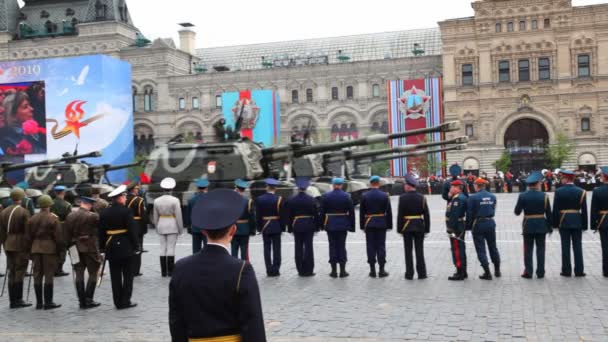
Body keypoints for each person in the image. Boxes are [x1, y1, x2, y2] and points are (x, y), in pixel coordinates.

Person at [170, 189, 266, 341]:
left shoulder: (181, 267)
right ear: (233, 230)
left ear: (203, 231)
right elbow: (252, 322)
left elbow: (176, 322)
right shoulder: (241, 269)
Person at [99, 185, 139, 309]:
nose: (125, 198)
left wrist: (101, 248)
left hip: (111, 246)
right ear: (119, 198)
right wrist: (136, 245)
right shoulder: (126, 211)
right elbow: (132, 230)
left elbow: (101, 232)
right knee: (128, 276)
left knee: (115, 277)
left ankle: (117, 302)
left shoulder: (104, 212)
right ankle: (125, 301)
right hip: (126, 246)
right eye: (124, 196)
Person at [24, 195, 62, 310]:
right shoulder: (53, 218)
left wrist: (31, 249)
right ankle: (48, 302)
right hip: (49, 249)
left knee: (37, 275)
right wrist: (60, 251)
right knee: (49, 275)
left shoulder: (32, 218)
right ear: (50, 205)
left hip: (35, 248)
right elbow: (58, 238)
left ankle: (39, 303)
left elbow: (28, 237)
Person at [64, 196, 102, 309]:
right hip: (89, 247)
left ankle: (81, 301)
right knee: (93, 272)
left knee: (79, 273)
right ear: (90, 204)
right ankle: (88, 299)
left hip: (74, 247)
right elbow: (98, 231)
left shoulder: (70, 215)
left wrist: (68, 247)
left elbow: (66, 234)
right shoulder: (94, 216)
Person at [514, 171, 552, 279]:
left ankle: (528, 272)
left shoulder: (522, 195)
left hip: (528, 225)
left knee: (528, 250)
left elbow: (517, 212)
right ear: (537, 184)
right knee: (541, 250)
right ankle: (540, 272)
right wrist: (550, 227)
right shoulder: (544, 196)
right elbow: (549, 213)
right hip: (541, 224)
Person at [0, 188, 32, 308]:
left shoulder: (3, 212)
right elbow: (27, 232)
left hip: (8, 244)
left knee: (11, 272)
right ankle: (18, 300)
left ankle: (12, 300)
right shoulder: (24, 212)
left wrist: (4, 244)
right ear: (21, 198)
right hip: (20, 244)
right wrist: (29, 247)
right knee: (20, 272)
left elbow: (2, 232)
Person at [553, 170, 588, 277]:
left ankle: (566, 271)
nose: (561, 180)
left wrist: (555, 224)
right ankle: (579, 271)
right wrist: (585, 225)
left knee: (565, 246)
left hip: (564, 221)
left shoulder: (559, 191)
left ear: (566, 178)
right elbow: (584, 210)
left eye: (562, 178)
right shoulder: (581, 191)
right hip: (577, 221)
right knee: (577, 246)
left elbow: (555, 209)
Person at [319, 177, 355, 278]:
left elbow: (321, 212)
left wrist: (321, 225)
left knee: (332, 246)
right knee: (342, 246)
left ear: (332, 185)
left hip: (330, 224)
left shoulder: (325, 196)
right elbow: (351, 212)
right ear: (341, 185)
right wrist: (352, 226)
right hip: (343, 224)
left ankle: (334, 271)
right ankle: (343, 271)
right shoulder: (347, 196)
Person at [397, 174, 430, 280]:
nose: (404, 187)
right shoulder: (422, 197)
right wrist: (427, 229)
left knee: (408, 251)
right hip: (419, 226)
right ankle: (422, 273)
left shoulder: (402, 198)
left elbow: (400, 215)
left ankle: (409, 274)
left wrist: (399, 229)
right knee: (420, 251)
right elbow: (426, 215)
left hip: (407, 227)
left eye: (405, 185)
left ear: (408, 185)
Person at [285, 177, 320, 277]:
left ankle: (300, 270)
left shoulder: (291, 200)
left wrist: (290, 228)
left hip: (296, 225)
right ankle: (309, 270)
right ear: (306, 188)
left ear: (297, 187)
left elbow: (289, 215)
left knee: (298, 248)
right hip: (309, 224)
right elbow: (316, 214)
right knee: (309, 248)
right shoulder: (311, 199)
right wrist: (317, 227)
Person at [467, 178, 501, 280]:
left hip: (478, 224)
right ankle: (497, 270)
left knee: (480, 248)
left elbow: (469, 214)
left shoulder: (473, 198)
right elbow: (493, 209)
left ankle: (487, 272)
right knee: (493, 247)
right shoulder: (492, 196)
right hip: (490, 222)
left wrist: (468, 228)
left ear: (477, 185)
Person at [359, 175, 392, 278]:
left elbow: (361, 213)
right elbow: (389, 212)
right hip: (382, 223)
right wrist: (389, 225)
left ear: (370, 183)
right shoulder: (385, 195)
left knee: (370, 246)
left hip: (369, 224)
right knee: (381, 246)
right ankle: (382, 270)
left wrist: (362, 226)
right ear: (379, 183)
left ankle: (372, 270)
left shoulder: (365, 196)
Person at [153, 177, 184, 277]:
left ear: (163, 189)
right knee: (171, 248)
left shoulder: (156, 200)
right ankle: (170, 271)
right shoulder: (175, 200)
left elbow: (155, 216)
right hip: (172, 224)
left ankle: (163, 272)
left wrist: (157, 226)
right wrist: (180, 228)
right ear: (172, 189)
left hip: (161, 224)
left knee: (162, 248)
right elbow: (178, 216)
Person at [255, 178, 286, 277]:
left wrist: (259, 228)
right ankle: (276, 270)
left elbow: (258, 215)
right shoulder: (279, 199)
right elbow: (282, 215)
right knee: (277, 249)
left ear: (267, 187)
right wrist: (282, 227)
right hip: (276, 226)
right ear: (275, 188)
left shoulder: (259, 199)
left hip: (265, 226)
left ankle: (268, 270)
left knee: (266, 249)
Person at [0, 91, 46, 155]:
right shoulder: (9, 141)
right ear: (12, 115)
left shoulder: (36, 130)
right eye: (25, 107)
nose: (32, 109)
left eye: (29, 105)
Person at [446, 179, 468, 281]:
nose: (450, 188)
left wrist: (450, 228)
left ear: (457, 188)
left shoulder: (458, 199)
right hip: (459, 225)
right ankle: (463, 270)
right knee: (460, 248)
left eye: (452, 187)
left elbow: (454, 215)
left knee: (457, 249)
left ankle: (460, 272)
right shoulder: (457, 197)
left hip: (456, 227)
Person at [126, 181, 148, 277]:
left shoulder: (124, 199)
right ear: (133, 190)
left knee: (128, 248)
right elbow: (143, 216)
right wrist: (144, 229)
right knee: (137, 248)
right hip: (137, 226)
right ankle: (135, 270)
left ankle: (128, 269)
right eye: (137, 189)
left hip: (126, 225)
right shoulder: (139, 200)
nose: (138, 190)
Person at [232, 179, 256, 261]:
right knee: (244, 251)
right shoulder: (248, 201)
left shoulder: (230, 201)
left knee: (234, 251)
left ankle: (234, 269)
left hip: (233, 229)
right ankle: (244, 269)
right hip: (245, 229)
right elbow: (252, 217)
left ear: (236, 188)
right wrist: (252, 230)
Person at [50, 185, 71, 277]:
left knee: (53, 248)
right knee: (62, 249)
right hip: (62, 228)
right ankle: (59, 269)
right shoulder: (67, 205)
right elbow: (70, 219)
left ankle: (52, 267)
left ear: (55, 193)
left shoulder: (50, 203)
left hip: (51, 228)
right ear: (63, 193)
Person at [591, 166, 608, 277]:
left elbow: (594, 210)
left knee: (605, 247)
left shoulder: (598, 191)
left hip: (604, 221)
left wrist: (594, 225)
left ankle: (606, 270)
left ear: (604, 177)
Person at [186, 179, 209, 254]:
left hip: (196, 227)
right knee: (208, 249)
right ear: (206, 188)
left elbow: (188, 215)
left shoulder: (191, 200)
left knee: (196, 249)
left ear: (197, 188)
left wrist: (189, 227)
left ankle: (196, 264)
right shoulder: (210, 199)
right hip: (207, 228)